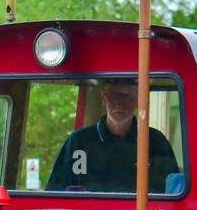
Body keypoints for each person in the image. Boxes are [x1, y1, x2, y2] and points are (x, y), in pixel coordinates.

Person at [46, 79, 179, 193]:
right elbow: (56, 195)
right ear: (103, 98)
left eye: (129, 97)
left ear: (139, 100)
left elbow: (173, 192)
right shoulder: (79, 142)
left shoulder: (156, 142)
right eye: (114, 96)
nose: (120, 104)